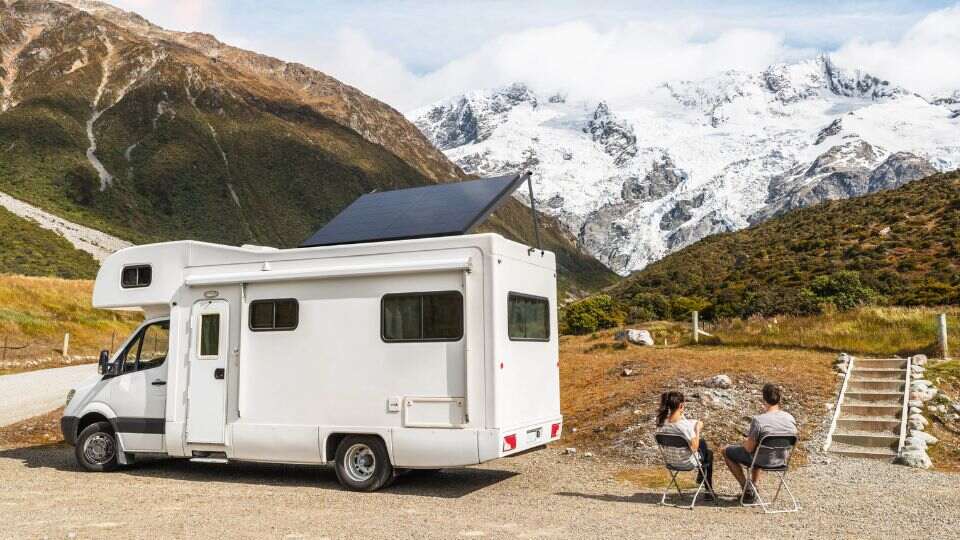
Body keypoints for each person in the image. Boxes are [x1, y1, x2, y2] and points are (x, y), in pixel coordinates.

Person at [722, 383, 798, 503]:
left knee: (726, 450)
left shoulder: (759, 420)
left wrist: (743, 442)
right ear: (779, 398)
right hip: (781, 460)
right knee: (760, 449)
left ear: (763, 398)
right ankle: (754, 485)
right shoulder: (790, 418)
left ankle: (747, 488)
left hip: (761, 460)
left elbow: (748, 449)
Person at [655, 391, 714, 499]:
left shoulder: (661, 423)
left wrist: (682, 417)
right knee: (707, 451)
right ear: (681, 405)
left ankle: (703, 479)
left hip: (671, 461)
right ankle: (708, 489)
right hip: (686, 463)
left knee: (703, 447)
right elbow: (694, 447)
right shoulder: (684, 426)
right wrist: (697, 430)